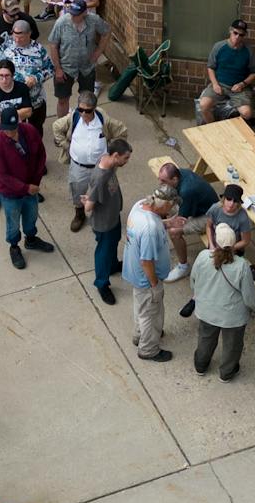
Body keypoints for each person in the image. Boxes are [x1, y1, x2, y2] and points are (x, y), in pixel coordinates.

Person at [51, 88, 124, 235]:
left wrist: (112, 155)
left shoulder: (104, 120)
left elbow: (122, 132)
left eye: (88, 111)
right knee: (78, 191)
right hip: (79, 167)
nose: (84, 114)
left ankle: (109, 212)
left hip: (102, 168)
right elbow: (56, 127)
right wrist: (66, 145)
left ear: (94, 109)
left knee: (109, 191)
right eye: (81, 110)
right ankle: (79, 214)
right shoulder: (74, 118)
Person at [190, 226, 255, 380]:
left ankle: (201, 365)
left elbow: (193, 281)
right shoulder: (242, 265)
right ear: (234, 242)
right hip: (233, 317)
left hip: (207, 311)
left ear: (215, 239)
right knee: (232, 346)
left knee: (205, 339)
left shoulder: (202, 257)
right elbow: (249, 296)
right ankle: (227, 373)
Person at [0, 101, 52, 269]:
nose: (10, 133)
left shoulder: (30, 131)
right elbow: (2, 176)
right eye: (6, 129)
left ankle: (31, 239)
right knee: (13, 221)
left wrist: (35, 182)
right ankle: (14, 246)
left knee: (31, 215)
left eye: (13, 128)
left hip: (30, 188)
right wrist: (25, 188)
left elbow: (41, 155)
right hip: (11, 193)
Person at [125, 189, 176, 362]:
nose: (172, 209)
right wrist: (154, 285)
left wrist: (168, 223)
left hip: (135, 274)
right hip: (147, 280)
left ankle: (139, 336)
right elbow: (146, 261)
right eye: (171, 206)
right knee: (150, 314)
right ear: (164, 204)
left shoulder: (140, 205)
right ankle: (148, 349)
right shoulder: (150, 228)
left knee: (141, 308)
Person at [81, 139, 132, 305]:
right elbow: (88, 207)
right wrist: (87, 200)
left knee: (114, 242)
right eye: (125, 158)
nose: (127, 162)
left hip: (113, 217)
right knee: (103, 251)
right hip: (104, 224)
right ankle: (102, 284)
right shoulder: (100, 178)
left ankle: (112, 266)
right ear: (115, 155)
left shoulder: (108, 161)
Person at [150, 159, 213, 291]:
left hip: (209, 216)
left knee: (174, 231)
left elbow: (179, 220)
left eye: (164, 181)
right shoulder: (181, 174)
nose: (160, 183)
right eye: (160, 179)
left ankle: (183, 267)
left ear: (174, 179)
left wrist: (156, 224)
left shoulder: (187, 190)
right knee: (164, 204)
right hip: (194, 205)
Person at [46, 0, 111, 117]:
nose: (73, 17)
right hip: (66, 67)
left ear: (85, 13)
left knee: (86, 100)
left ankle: (84, 126)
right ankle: (62, 128)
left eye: (77, 15)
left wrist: (98, 52)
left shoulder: (94, 20)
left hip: (86, 67)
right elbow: (53, 45)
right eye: (72, 14)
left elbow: (106, 32)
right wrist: (58, 69)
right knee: (62, 100)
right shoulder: (61, 22)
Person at [198, 19, 255, 126]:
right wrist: (215, 84)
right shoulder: (219, 47)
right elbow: (211, 67)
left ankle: (234, 129)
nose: (237, 37)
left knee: (247, 113)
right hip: (220, 84)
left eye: (241, 35)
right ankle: (213, 127)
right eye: (235, 33)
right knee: (204, 105)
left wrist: (242, 84)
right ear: (230, 31)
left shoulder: (248, 51)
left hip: (239, 88)